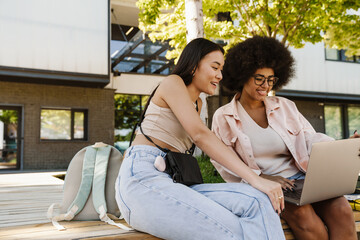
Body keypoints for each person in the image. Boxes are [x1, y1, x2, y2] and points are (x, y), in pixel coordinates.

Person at [115, 38, 286, 240]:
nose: (220, 76)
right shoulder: (173, 82)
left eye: (221, 69)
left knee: (257, 200)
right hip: (143, 179)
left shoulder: (198, 103)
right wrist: (255, 179)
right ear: (194, 65)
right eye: (215, 67)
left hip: (176, 181)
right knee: (236, 232)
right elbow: (200, 135)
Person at [211, 35, 359, 240]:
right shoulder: (224, 117)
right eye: (259, 79)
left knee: (342, 209)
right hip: (266, 187)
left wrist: (342, 145)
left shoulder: (285, 106)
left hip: (303, 179)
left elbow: (309, 138)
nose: (266, 85)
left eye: (271, 80)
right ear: (242, 75)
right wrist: (260, 178)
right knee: (306, 218)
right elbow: (223, 161)